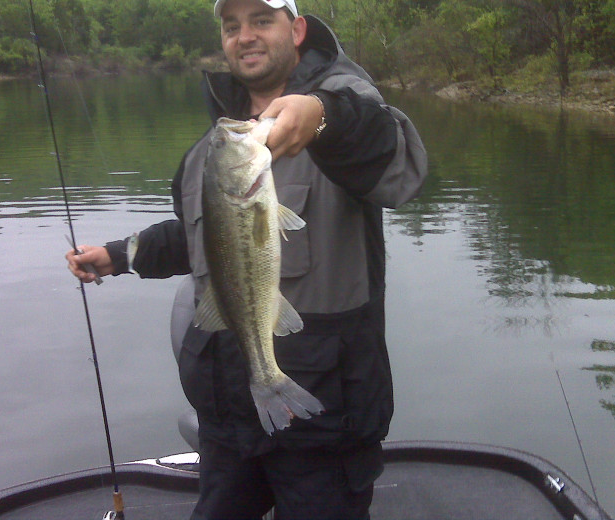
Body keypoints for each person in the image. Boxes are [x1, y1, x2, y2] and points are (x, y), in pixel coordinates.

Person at [66, 0, 427, 517]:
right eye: (232, 26)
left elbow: (397, 166)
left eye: (262, 20)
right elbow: (203, 241)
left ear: (297, 29)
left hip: (323, 422)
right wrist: (119, 255)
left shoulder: (346, 109)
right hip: (227, 419)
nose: (246, 36)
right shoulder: (214, 150)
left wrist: (320, 116)